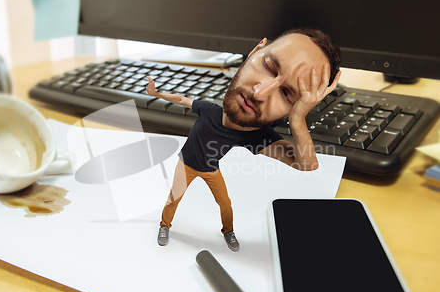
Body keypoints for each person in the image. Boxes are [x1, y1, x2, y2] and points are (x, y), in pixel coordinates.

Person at [146, 27, 341, 252]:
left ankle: (228, 232)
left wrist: (298, 119)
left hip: (210, 170)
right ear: (253, 53)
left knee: (225, 203)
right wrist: (156, 94)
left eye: (287, 94)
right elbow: (182, 99)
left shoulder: (252, 135)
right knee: (174, 198)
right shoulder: (209, 110)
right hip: (185, 165)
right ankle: (164, 225)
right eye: (268, 66)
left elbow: (307, 164)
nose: (259, 94)